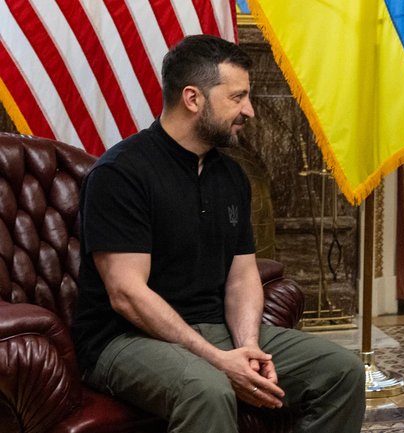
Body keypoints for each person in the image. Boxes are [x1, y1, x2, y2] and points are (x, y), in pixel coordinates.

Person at [72, 34, 365, 433]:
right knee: (206, 389)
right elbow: (127, 295)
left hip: (215, 329)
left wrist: (248, 346)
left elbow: (242, 275)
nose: (250, 110)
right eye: (238, 97)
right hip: (123, 340)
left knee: (341, 371)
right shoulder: (121, 174)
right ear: (193, 98)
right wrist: (215, 358)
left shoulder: (230, 175)